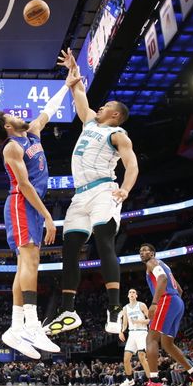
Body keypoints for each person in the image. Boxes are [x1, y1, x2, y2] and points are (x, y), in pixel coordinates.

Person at [44, 49, 139, 337]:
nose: (100, 107)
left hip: (103, 190)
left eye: (106, 106)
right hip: (80, 195)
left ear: (115, 115)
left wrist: (124, 189)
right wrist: (72, 70)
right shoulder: (89, 123)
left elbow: (132, 165)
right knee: (70, 248)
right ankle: (69, 310)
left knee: (103, 240)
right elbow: (79, 93)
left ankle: (113, 308)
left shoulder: (117, 135)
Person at [0, 71, 75, 359]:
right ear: (6, 126)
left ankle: (15, 328)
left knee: (25, 265)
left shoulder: (32, 134)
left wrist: (67, 85)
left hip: (30, 206)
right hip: (21, 203)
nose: (18, 114)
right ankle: (33, 324)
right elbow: (24, 185)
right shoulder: (11, 147)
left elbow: (48, 111)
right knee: (31, 261)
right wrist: (48, 216)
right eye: (11, 115)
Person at [136, 243, 193, 386]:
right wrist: (174, 305)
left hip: (166, 300)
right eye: (140, 250)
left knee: (151, 339)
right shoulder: (165, 265)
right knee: (167, 344)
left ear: (153, 253)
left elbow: (162, 279)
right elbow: (180, 289)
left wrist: (155, 303)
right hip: (177, 301)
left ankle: (155, 383)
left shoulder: (152, 263)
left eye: (146, 250)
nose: (142, 252)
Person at [118, 288, 151, 386]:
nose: (131, 294)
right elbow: (125, 324)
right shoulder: (125, 308)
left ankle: (152, 381)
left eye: (133, 292)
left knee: (141, 356)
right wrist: (121, 331)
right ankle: (130, 380)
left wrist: (139, 322)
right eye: (130, 292)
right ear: (128, 296)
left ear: (136, 295)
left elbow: (150, 319)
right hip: (132, 334)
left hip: (142, 332)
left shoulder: (141, 305)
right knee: (126, 359)